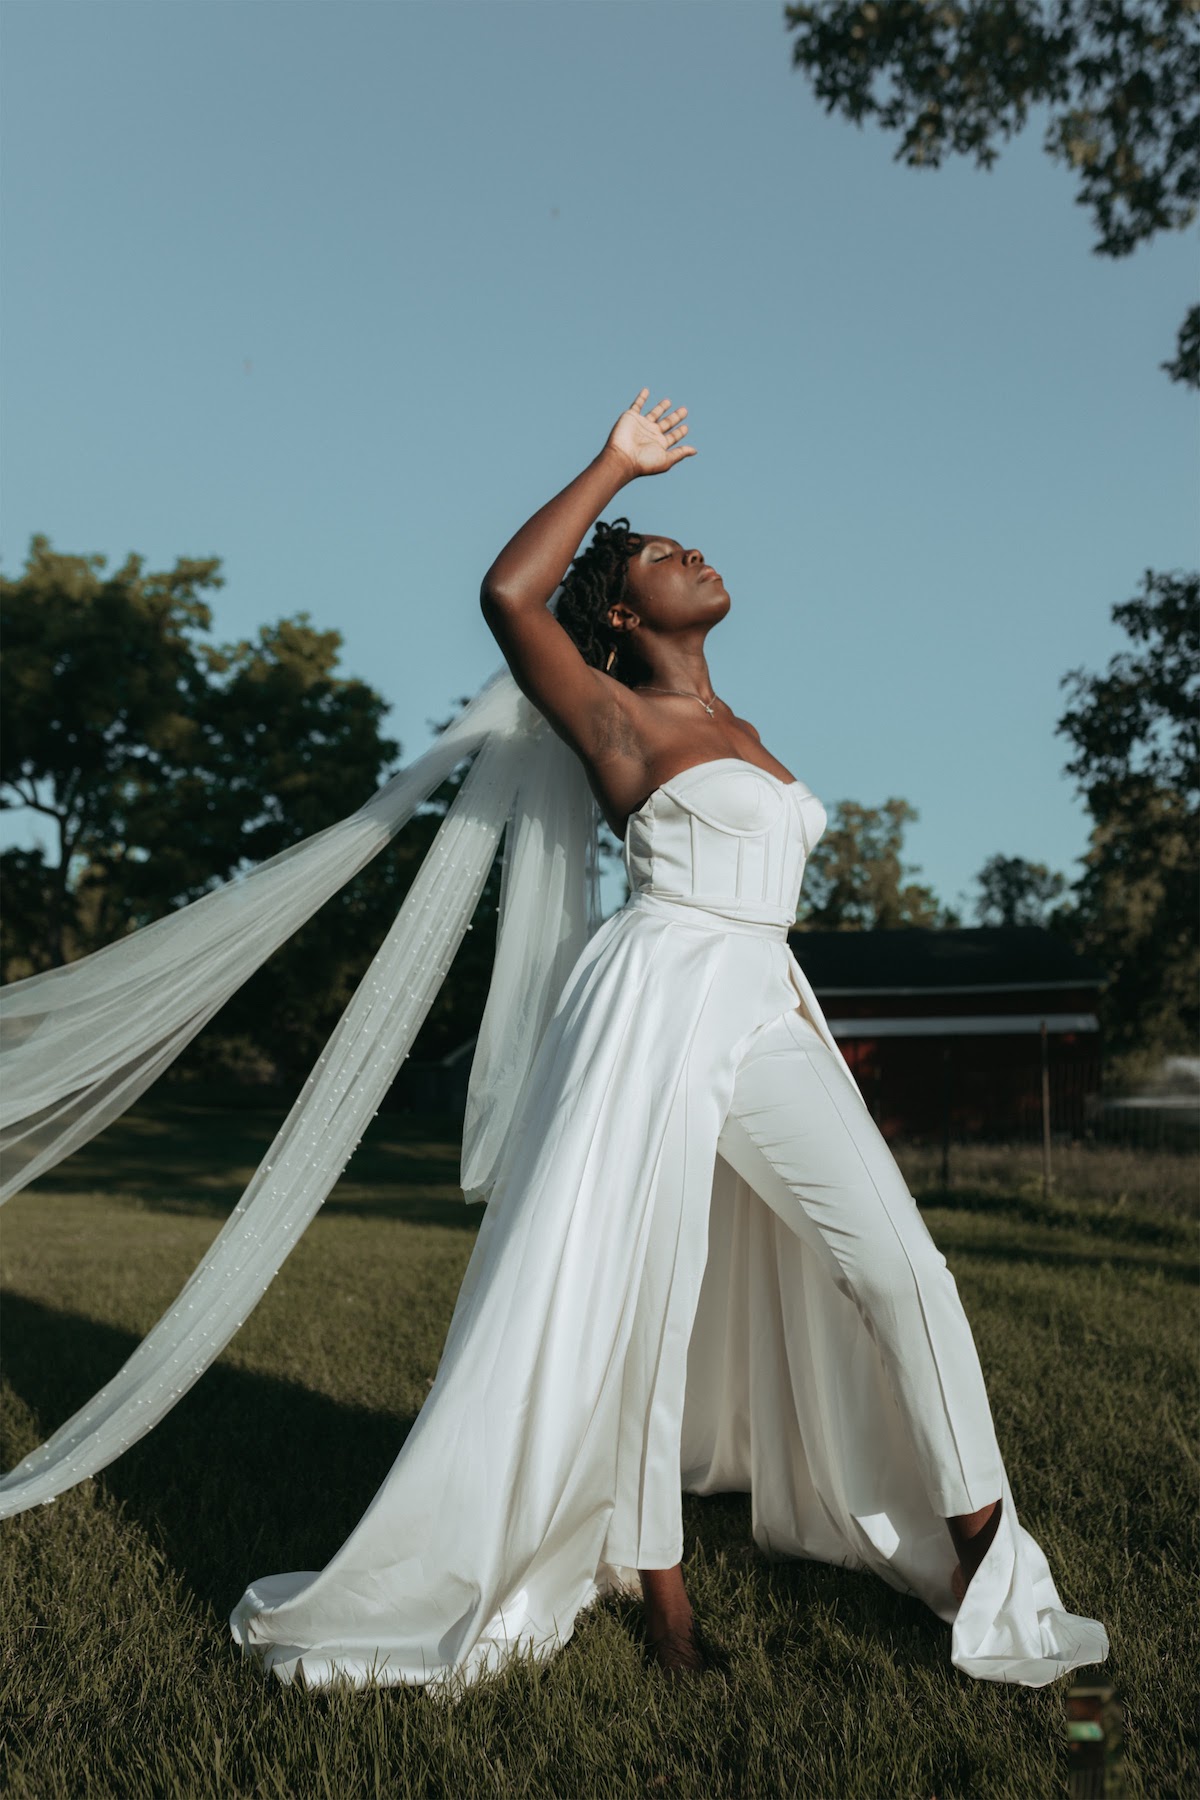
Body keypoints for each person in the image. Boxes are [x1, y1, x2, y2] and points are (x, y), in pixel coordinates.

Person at [1, 388, 1108, 1695]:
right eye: (657, 555)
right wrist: (611, 464)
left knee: (904, 1267)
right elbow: (511, 597)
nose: (693, 550)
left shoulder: (740, 727)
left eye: (677, 538)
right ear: (627, 622)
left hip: (765, 995)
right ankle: (667, 1602)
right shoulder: (615, 722)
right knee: (644, 1294)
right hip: (656, 998)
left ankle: (987, 1554)